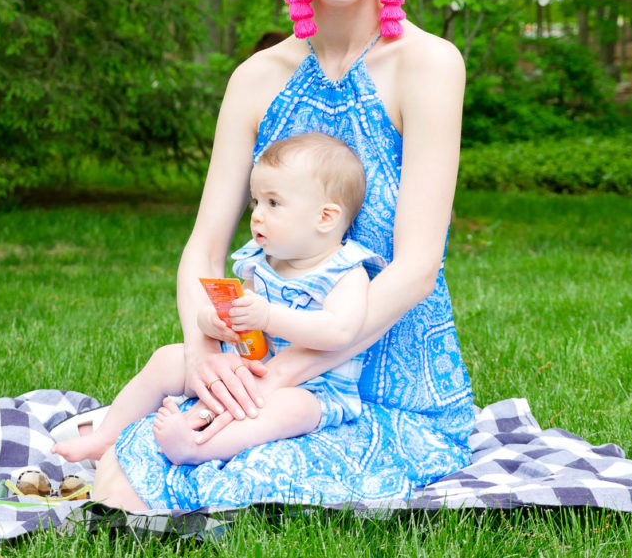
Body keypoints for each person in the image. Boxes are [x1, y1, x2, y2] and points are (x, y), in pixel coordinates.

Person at [88, 0, 474, 510]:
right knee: (124, 473)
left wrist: (280, 377)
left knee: (206, 482)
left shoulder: (428, 65)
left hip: (385, 387)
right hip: (258, 364)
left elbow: (415, 270)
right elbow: (204, 247)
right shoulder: (257, 79)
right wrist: (207, 359)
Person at [50, 133, 383, 466]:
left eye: (273, 203)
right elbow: (242, 314)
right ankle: (106, 436)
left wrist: (267, 317)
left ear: (325, 217)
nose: (256, 215)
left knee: (290, 410)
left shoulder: (346, 271)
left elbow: (339, 331)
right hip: (254, 363)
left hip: (316, 386)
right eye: (256, 202)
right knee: (168, 358)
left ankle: (197, 447)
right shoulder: (264, 261)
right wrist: (214, 321)